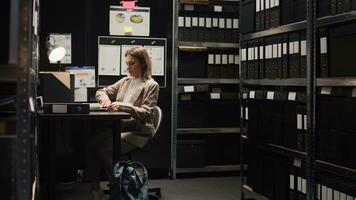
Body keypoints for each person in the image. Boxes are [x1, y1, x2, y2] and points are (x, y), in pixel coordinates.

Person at [86, 46, 159, 200]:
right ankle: (95, 188)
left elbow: (146, 113)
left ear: (143, 64)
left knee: (106, 147)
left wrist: (123, 106)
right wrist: (104, 99)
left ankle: (119, 190)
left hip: (138, 131)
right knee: (92, 143)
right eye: (127, 63)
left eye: (132, 63)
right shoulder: (125, 81)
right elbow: (101, 91)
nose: (128, 67)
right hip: (120, 127)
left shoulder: (151, 85)